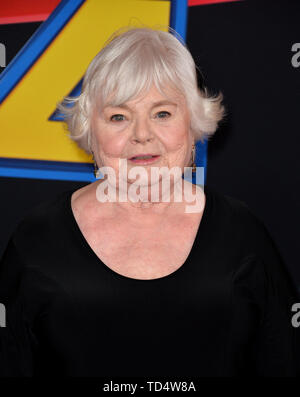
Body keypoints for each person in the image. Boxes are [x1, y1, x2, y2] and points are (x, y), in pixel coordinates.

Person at [0, 26, 299, 377]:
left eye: (162, 113)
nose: (142, 135)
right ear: (90, 132)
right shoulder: (36, 239)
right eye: (119, 117)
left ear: (193, 126)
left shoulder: (242, 232)